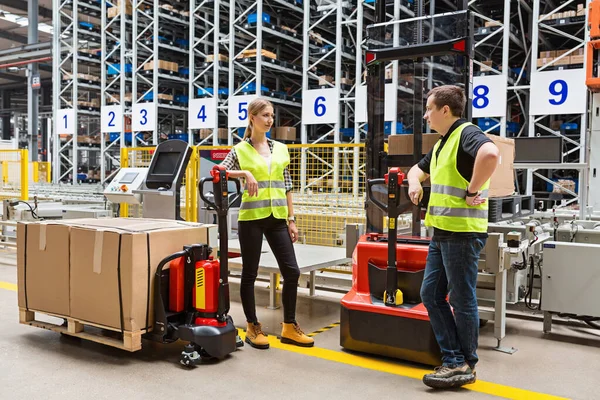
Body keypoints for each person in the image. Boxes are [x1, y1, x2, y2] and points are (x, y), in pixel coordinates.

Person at [407, 85, 500, 389]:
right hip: (442, 233)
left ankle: (464, 363)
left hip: (461, 234)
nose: (425, 115)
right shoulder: (442, 144)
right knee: (431, 294)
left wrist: (472, 189)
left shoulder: (466, 134)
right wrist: (414, 184)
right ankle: (453, 358)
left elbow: (491, 153)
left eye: (429, 108)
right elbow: (415, 171)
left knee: (461, 298)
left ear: (445, 110)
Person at [220, 98, 314, 349]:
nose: (270, 120)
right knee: (250, 273)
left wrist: (291, 219)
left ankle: (289, 326)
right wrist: (244, 173)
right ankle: (252, 326)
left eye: (272, 115)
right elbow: (219, 171)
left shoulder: (280, 149)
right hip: (251, 219)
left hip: (277, 219)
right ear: (252, 117)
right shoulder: (240, 150)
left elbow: (287, 186)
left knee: (292, 271)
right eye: (265, 115)